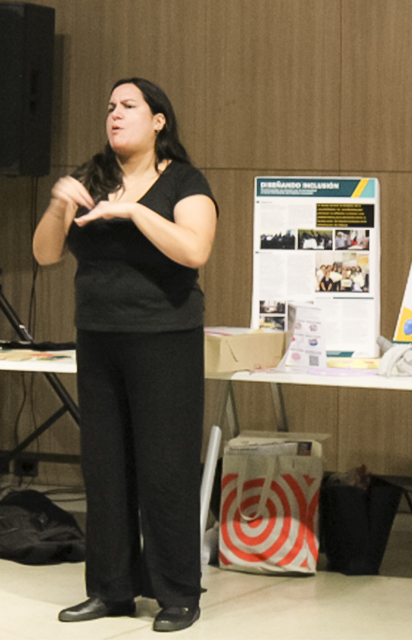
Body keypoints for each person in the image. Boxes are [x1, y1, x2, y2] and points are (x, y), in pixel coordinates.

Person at [32, 78, 217, 633]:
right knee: (106, 469)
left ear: (158, 120)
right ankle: (111, 590)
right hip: (99, 336)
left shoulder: (184, 180)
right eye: (110, 106)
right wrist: (60, 203)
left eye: (128, 106)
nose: (114, 115)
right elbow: (44, 254)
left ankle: (177, 593)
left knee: (165, 470)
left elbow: (194, 249)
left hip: (165, 339)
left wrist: (134, 213)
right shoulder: (92, 178)